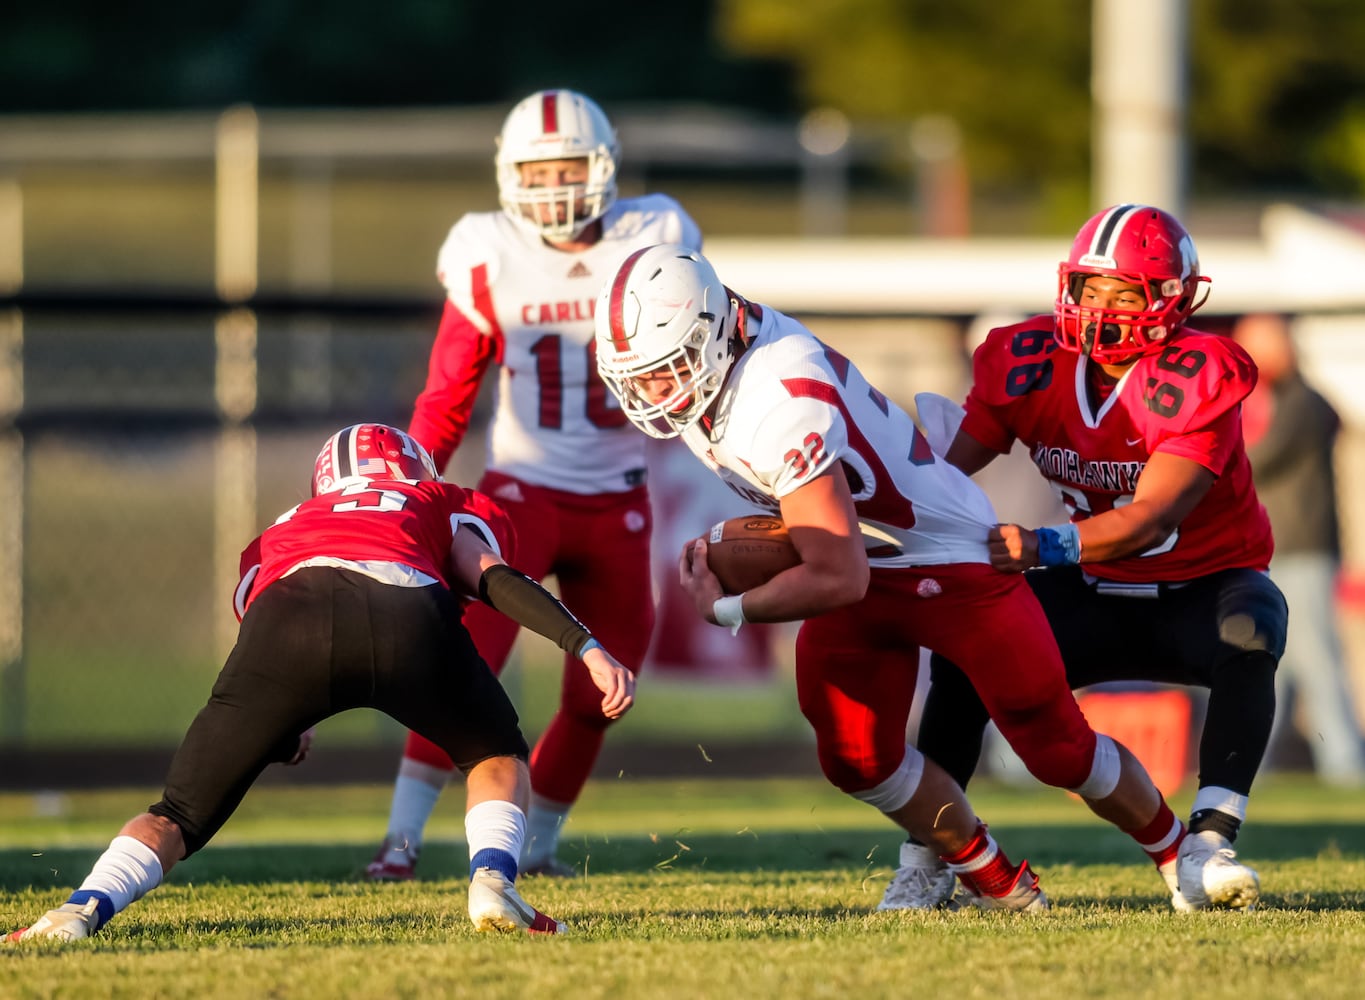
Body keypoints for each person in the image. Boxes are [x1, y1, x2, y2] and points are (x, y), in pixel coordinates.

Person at [594, 242, 1192, 912]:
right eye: (638, 376)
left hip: (949, 560)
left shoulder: (779, 398)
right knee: (853, 754)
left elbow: (837, 577)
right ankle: (992, 879)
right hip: (864, 555)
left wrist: (729, 609)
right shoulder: (727, 339)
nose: (654, 392)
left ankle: (1182, 855)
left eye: (667, 369)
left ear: (711, 331)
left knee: (1055, 749)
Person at [8, 424, 635, 943]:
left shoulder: (284, 528)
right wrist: (585, 646)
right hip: (406, 612)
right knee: (494, 754)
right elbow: (491, 576)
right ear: (413, 470)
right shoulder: (431, 501)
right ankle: (493, 884)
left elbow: (260, 634)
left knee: (176, 814)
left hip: (288, 620)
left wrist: (287, 726)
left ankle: (80, 910)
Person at [890, 204, 1287, 912]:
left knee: (1251, 627)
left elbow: (1149, 517)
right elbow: (947, 473)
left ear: (1170, 300)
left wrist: (1040, 545)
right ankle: (928, 858)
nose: (1100, 309)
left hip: (1198, 587)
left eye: (1124, 293)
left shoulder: (1201, 376)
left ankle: (1208, 842)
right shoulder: (1025, 360)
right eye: (1089, 289)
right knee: (961, 655)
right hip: (1093, 586)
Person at [366, 89, 701, 881]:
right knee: (459, 669)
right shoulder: (489, 254)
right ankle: (400, 844)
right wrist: (406, 494)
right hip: (519, 497)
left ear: (603, 167)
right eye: (537, 172)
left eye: (568, 169)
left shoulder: (650, 235)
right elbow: (446, 397)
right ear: (509, 175)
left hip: (618, 497)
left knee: (601, 689)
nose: (553, 188)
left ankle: (539, 847)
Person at [1234, 312, 1365, 787]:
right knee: (1275, 666)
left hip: (1301, 550)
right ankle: (1253, 765)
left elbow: (1260, 459)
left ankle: (1347, 765)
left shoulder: (1302, 403)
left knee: (1317, 659)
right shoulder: (1286, 400)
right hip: (1280, 552)